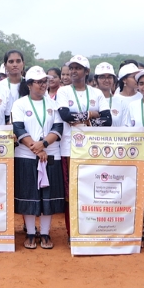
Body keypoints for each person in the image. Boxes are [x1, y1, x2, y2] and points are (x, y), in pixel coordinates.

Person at [56, 55, 111, 242]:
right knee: (71, 192)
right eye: (71, 68)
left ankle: (90, 229)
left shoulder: (96, 93)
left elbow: (107, 119)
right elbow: (64, 115)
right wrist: (90, 115)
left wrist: (79, 118)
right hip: (69, 148)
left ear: (86, 72)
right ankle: (73, 232)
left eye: (78, 68)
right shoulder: (63, 91)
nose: (73, 71)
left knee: (89, 189)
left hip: (91, 148)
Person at [12, 66, 64, 250]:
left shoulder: (53, 103)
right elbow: (18, 128)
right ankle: (31, 233)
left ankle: (45, 233)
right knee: (29, 194)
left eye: (45, 81)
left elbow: (58, 129)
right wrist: (36, 147)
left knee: (47, 195)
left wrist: (44, 145)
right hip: (26, 155)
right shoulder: (20, 104)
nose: (43, 85)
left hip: (50, 154)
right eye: (38, 82)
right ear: (29, 84)